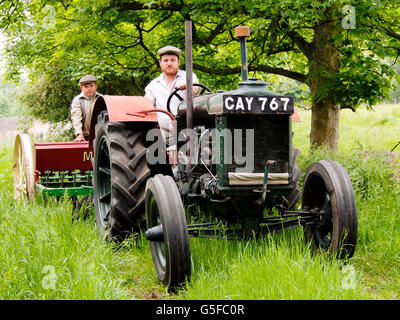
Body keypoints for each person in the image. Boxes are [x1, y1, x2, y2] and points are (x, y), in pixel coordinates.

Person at [144, 45, 200, 144]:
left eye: (172, 60)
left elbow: (196, 89)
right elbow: (147, 106)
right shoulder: (153, 85)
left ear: (178, 62)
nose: (169, 64)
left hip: (187, 128)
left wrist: (188, 85)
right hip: (163, 132)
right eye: (165, 60)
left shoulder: (188, 76)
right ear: (160, 63)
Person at [70, 75, 102, 142]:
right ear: (81, 87)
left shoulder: (101, 98)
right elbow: (76, 117)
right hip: (84, 137)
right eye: (86, 87)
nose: (89, 89)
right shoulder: (77, 100)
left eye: (91, 86)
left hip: (100, 137)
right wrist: (79, 134)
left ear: (96, 86)